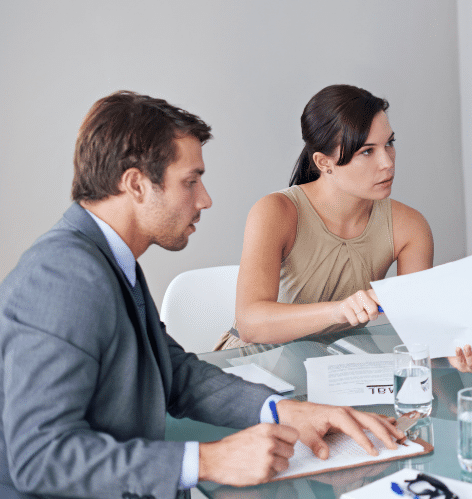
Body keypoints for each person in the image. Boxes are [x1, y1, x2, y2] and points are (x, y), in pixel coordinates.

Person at [0, 90, 406, 498]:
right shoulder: (62, 278)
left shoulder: (106, 260)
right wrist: (209, 460)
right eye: (190, 181)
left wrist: (283, 410)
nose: (205, 199)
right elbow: (38, 456)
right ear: (136, 184)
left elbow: (175, 374)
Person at [219, 84, 472, 372]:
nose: (387, 162)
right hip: (260, 365)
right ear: (323, 162)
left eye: (389, 143)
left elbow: (420, 333)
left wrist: (452, 355)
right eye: (367, 152)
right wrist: (339, 310)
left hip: (342, 368)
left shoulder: (410, 226)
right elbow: (251, 323)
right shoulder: (276, 212)